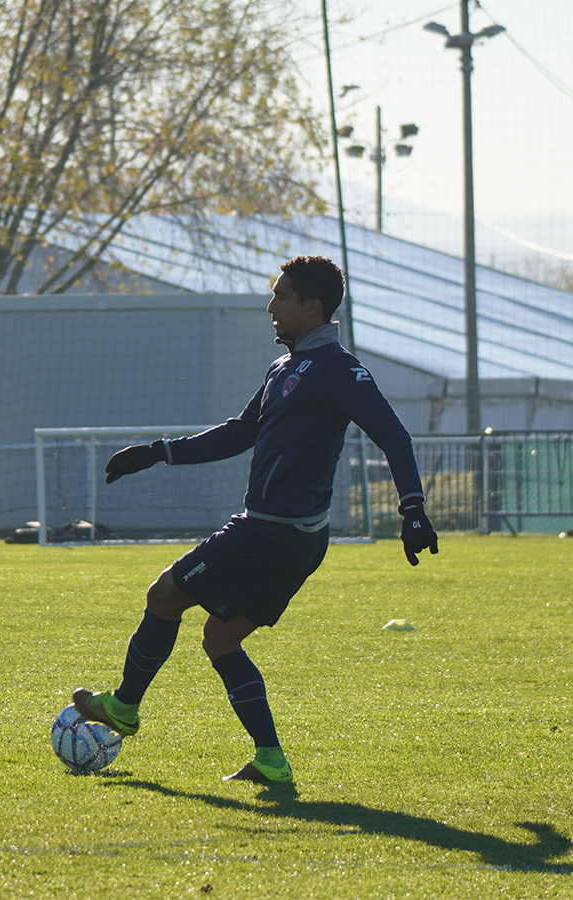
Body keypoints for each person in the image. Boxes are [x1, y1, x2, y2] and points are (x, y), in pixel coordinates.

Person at [73, 255, 439, 783]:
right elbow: (239, 432)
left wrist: (413, 509)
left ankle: (124, 708)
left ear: (312, 308)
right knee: (220, 638)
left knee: (163, 596)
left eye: (282, 297)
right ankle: (271, 760)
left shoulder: (337, 368)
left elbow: (393, 434)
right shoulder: (284, 368)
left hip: (270, 532)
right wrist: (158, 452)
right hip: (295, 538)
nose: (272, 306)